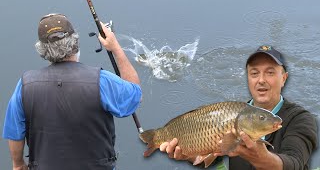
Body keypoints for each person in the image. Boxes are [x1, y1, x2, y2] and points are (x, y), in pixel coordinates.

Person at [2, 13, 142, 170]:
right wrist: (115, 47)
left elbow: (15, 132)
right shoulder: (101, 80)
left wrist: (18, 164)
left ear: (41, 49)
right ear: (75, 41)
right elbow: (134, 97)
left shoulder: (25, 85)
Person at [159, 45, 318, 169]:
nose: (261, 80)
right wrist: (188, 153)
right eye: (254, 73)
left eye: (270, 73)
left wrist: (260, 156)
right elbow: (212, 156)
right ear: (248, 78)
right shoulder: (232, 114)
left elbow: (294, 164)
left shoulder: (301, 119)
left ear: (284, 78)